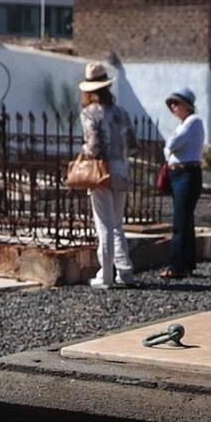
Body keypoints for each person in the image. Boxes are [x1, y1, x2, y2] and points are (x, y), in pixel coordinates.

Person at [78, 62, 137, 290]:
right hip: (121, 171)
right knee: (117, 224)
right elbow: (133, 144)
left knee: (103, 225)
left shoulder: (89, 113)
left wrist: (84, 152)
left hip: (101, 173)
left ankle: (107, 275)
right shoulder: (121, 113)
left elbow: (93, 146)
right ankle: (125, 270)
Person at [160, 87, 205, 280]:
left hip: (186, 172)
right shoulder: (183, 124)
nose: (173, 107)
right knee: (185, 220)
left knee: (181, 220)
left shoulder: (193, 122)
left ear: (186, 105)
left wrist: (170, 146)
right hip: (179, 173)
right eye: (171, 104)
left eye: (176, 103)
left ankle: (177, 264)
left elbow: (172, 144)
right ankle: (186, 262)